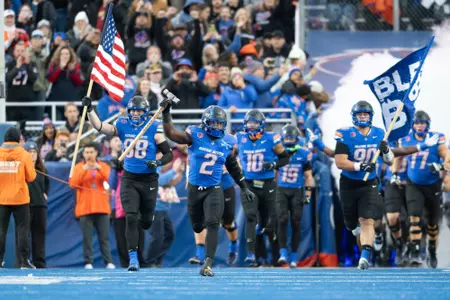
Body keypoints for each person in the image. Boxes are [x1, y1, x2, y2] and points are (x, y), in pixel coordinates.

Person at [161, 101, 255, 277]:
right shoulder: (194, 135)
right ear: (205, 122)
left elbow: (233, 166)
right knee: (197, 226)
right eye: (213, 122)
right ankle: (203, 254)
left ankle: (208, 263)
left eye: (219, 123)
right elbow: (171, 133)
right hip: (195, 189)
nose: (216, 126)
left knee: (213, 224)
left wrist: (244, 187)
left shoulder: (226, 141)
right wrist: (166, 114)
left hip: (214, 188)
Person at [82, 95, 174, 271]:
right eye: (134, 110)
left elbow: (168, 153)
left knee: (146, 222)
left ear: (146, 112)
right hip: (129, 178)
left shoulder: (154, 126)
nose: (137, 114)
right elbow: (100, 127)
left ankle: (146, 218)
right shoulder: (123, 124)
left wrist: (158, 162)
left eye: (140, 111)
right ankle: (133, 259)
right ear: (129, 111)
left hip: (149, 179)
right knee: (130, 217)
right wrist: (90, 110)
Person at [334, 100, 397, 270]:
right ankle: (358, 239)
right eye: (360, 114)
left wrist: (386, 151)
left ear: (370, 116)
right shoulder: (345, 133)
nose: (363, 117)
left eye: (366, 114)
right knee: (351, 224)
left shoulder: (379, 133)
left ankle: (365, 257)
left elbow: (390, 161)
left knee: (367, 219)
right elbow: (340, 162)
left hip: (369, 183)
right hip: (349, 182)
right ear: (354, 116)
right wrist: (360, 166)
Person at [236, 109, 290, 266]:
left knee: (270, 222)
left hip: (267, 185)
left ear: (261, 124)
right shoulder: (239, 138)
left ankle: (274, 257)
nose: (251, 126)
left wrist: (273, 164)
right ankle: (252, 255)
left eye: (254, 123)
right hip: (248, 184)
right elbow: (227, 155)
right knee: (251, 216)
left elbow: (285, 157)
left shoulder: (271, 138)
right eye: (249, 123)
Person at [396, 111, 448, 268]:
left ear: (428, 124)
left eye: (422, 123)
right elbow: (397, 156)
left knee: (432, 224)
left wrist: (440, 166)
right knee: (414, 216)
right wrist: (394, 173)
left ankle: (431, 250)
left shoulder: (437, 138)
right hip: (414, 184)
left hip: (433, 185)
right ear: (412, 125)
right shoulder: (406, 140)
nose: (419, 126)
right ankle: (416, 250)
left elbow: (448, 157)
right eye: (417, 123)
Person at [189, 134, 240, 266]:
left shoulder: (228, 140)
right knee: (202, 220)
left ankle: (234, 246)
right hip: (206, 184)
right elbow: (194, 159)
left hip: (225, 185)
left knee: (227, 222)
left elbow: (235, 161)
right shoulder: (200, 138)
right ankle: (200, 254)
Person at [69, 142, 115, 269]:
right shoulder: (78, 167)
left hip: (102, 207)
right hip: (85, 208)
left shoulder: (103, 166)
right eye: (87, 152)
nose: (89, 155)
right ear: (83, 154)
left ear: (96, 153)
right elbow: (73, 184)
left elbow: (111, 180)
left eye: (91, 152)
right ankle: (88, 262)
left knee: (104, 238)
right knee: (87, 239)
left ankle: (108, 261)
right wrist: (84, 170)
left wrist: (98, 169)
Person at [276, 124, 313, 267]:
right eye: (287, 138)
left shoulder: (303, 154)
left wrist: (308, 193)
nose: (290, 141)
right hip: (281, 190)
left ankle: (294, 255)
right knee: (282, 219)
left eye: (292, 138)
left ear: (297, 139)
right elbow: (273, 174)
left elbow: (308, 176)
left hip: (297, 190)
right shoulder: (278, 152)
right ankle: (283, 252)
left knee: (296, 222)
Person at [0, 127, 36, 269]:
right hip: (20, 199)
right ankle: (24, 261)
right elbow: (31, 177)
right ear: (18, 139)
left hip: (2, 198)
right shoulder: (24, 155)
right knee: (22, 230)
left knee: (1, 230)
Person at [20, 141, 49, 268]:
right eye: (29, 152)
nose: (32, 155)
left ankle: (40, 262)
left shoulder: (42, 169)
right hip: (25, 205)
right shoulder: (20, 168)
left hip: (39, 206)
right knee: (24, 235)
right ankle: (23, 261)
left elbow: (47, 183)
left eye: (34, 152)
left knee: (39, 235)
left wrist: (45, 193)